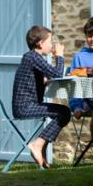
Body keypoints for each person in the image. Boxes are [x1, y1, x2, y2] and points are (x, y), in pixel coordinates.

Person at [12, 24, 70, 168]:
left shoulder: (33, 58)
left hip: (29, 105)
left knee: (63, 112)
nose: (51, 45)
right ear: (40, 43)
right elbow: (57, 73)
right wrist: (60, 56)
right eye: (49, 41)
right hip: (25, 107)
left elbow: (42, 78)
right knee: (63, 112)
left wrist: (44, 81)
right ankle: (37, 145)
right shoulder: (33, 57)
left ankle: (41, 148)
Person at [69, 15, 93, 163]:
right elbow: (74, 84)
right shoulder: (80, 57)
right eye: (89, 36)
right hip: (88, 99)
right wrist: (76, 106)